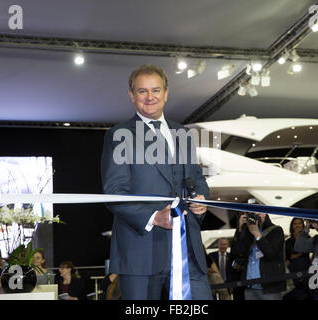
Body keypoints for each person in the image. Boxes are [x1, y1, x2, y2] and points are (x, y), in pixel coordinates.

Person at [101, 64, 212, 300]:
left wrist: (202, 199)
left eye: (156, 90)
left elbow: (197, 180)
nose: (150, 97)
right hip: (141, 252)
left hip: (188, 249)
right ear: (132, 95)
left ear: (166, 93)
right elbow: (114, 192)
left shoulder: (183, 133)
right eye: (142, 91)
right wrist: (154, 217)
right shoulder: (119, 135)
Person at [231, 212, 286, 300]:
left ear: (265, 214)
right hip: (250, 285)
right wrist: (240, 229)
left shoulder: (276, 230)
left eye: (258, 214)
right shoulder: (247, 231)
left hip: (270, 287)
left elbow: (271, 254)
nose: (255, 217)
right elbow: (237, 252)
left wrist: (257, 234)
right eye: (252, 214)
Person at [283, 218, 311, 300]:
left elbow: (306, 251)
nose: (297, 225)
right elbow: (287, 257)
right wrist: (297, 255)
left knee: (305, 293)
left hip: (305, 268)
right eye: (295, 224)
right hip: (292, 270)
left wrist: (295, 255)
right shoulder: (287, 241)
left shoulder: (308, 238)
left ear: (303, 225)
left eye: (299, 223)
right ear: (292, 226)